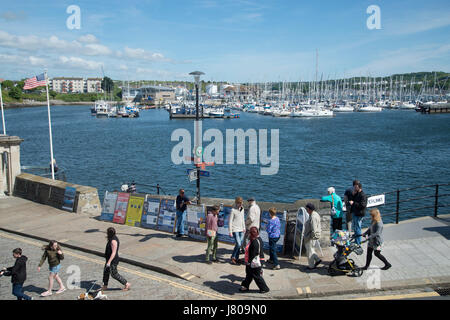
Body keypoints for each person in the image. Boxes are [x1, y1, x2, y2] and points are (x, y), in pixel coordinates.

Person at [239, 226, 270, 294]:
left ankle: (264, 288)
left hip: (254, 262)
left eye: (250, 232)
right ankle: (245, 286)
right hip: (254, 260)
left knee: (256, 275)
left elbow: (253, 254)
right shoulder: (257, 239)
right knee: (249, 275)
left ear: (251, 234)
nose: (248, 234)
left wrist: (249, 262)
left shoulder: (254, 242)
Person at [101, 227, 131, 291]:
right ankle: (105, 286)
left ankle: (126, 284)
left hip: (113, 260)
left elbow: (114, 253)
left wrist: (109, 262)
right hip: (109, 259)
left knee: (114, 274)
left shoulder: (113, 241)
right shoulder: (111, 238)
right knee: (106, 272)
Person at [303, 203, 322, 270]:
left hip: (310, 237)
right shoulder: (315, 214)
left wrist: (311, 237)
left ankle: (311, 266)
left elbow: (314, 229)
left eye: (306, 209)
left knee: (309, 251)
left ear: (309, 209)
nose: (306, 210)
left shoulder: (313, 217)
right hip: (312, 236)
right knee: (311, 249)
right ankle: (317, 259)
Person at [228, 197, 246, 265]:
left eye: (241, 203)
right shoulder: (233, 210)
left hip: (241, 229)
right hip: (235, 229)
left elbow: (242, 219)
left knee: (239, 244)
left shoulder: (242, 209)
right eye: (239, 203)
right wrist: (230, 231)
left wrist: (244, 228)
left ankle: (237, 258)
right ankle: (233, 257)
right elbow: (230, 221)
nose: (240, 204)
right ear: (236, 203)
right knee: (238, 244)